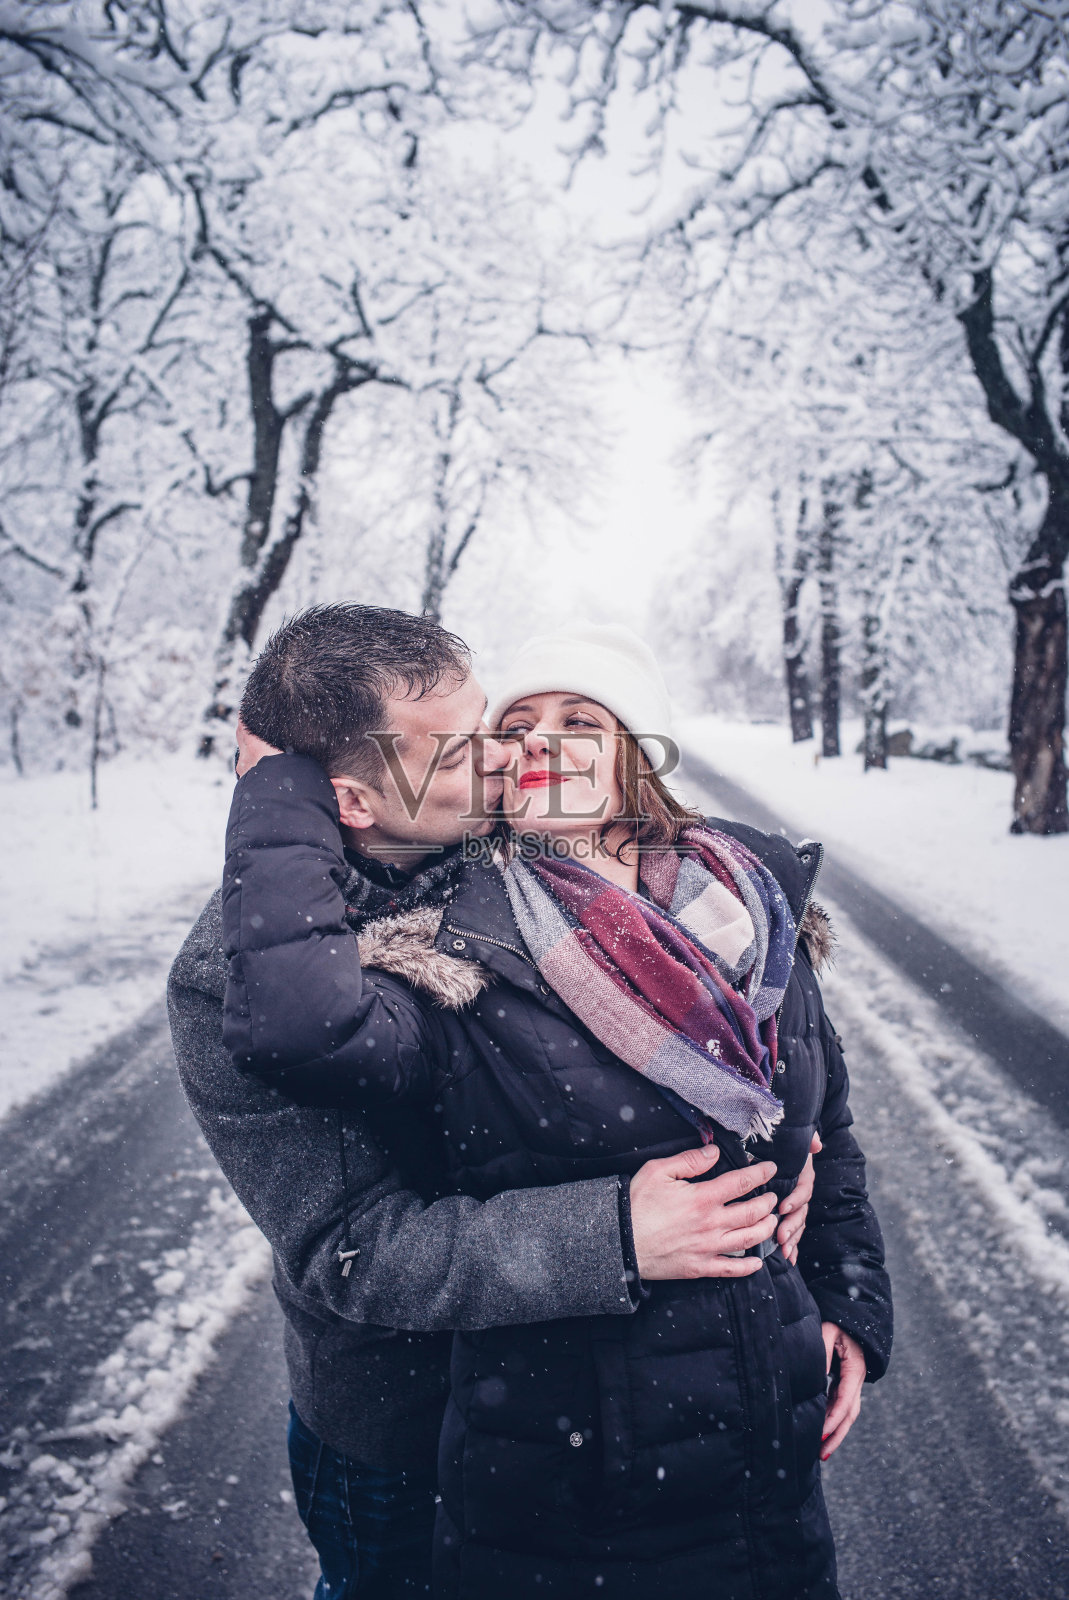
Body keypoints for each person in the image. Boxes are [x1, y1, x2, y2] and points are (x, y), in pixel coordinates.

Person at [220, 613, 892, 1598]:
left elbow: (829, 1128)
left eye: (578, 719)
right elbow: (308, 1044)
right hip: (565, 1460)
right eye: (516, 721)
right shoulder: (451, 935)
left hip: (764, 1445)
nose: (535, 740)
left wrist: (848, 1302)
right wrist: (282, 784)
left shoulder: (753, 903)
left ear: (636, 756)